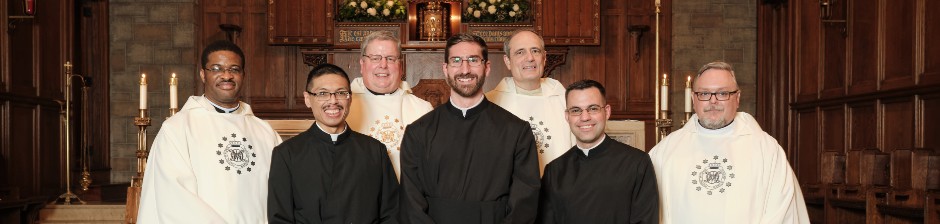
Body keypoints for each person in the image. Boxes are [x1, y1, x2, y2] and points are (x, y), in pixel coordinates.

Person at [399, 33, 540, 224]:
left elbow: (524, 204)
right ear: (446, 69)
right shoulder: (418, 132)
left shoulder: (517, 131)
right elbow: (411, 202)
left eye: (473, 60)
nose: (465, 69)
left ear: (486, 67)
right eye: (456, 61)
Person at [137, 40, 283, 223]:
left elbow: (282, 193)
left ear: (243, 75)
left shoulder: (265, 132)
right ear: (203, 75)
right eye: (216, 69)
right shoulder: (178, 129)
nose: (226, 76)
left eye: (234, 69)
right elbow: (173, 196)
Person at [649, 61, 810, 223]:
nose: (713, 101)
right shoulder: (665, 152)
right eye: (704, 94)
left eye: (722, 93)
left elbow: (782, 212)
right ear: (693, 98)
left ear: (737, 98)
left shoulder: (767, 150)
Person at [267, 63, 399, 223]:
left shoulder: (374, 150)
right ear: (308, 99)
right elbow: (280, 219)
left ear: (350, 99)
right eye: (322, 93)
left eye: (341, 93)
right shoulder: (287, 153)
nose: (333, 101)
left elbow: (391, 213)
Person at [538, 79, 659, 223]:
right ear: (567, 116)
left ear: (607, 112)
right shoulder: (554, 170)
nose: (585, 117)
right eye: (576, 110)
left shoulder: (637, 163)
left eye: (593, 108)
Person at [346, 31, 433, 178]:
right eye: (375, 58)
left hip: (405, 197)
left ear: (401, 65)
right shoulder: (343, 108)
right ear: (362, 64)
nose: (383, 65)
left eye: (391, 59)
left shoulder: (423, 109)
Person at [486, 29, 573, 175]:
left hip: (560, 190)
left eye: (535, 51)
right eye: (520, 52)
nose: (530, 58)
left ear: (544, 58)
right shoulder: (490, 104)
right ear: (507, 61)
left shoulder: (565, 100)